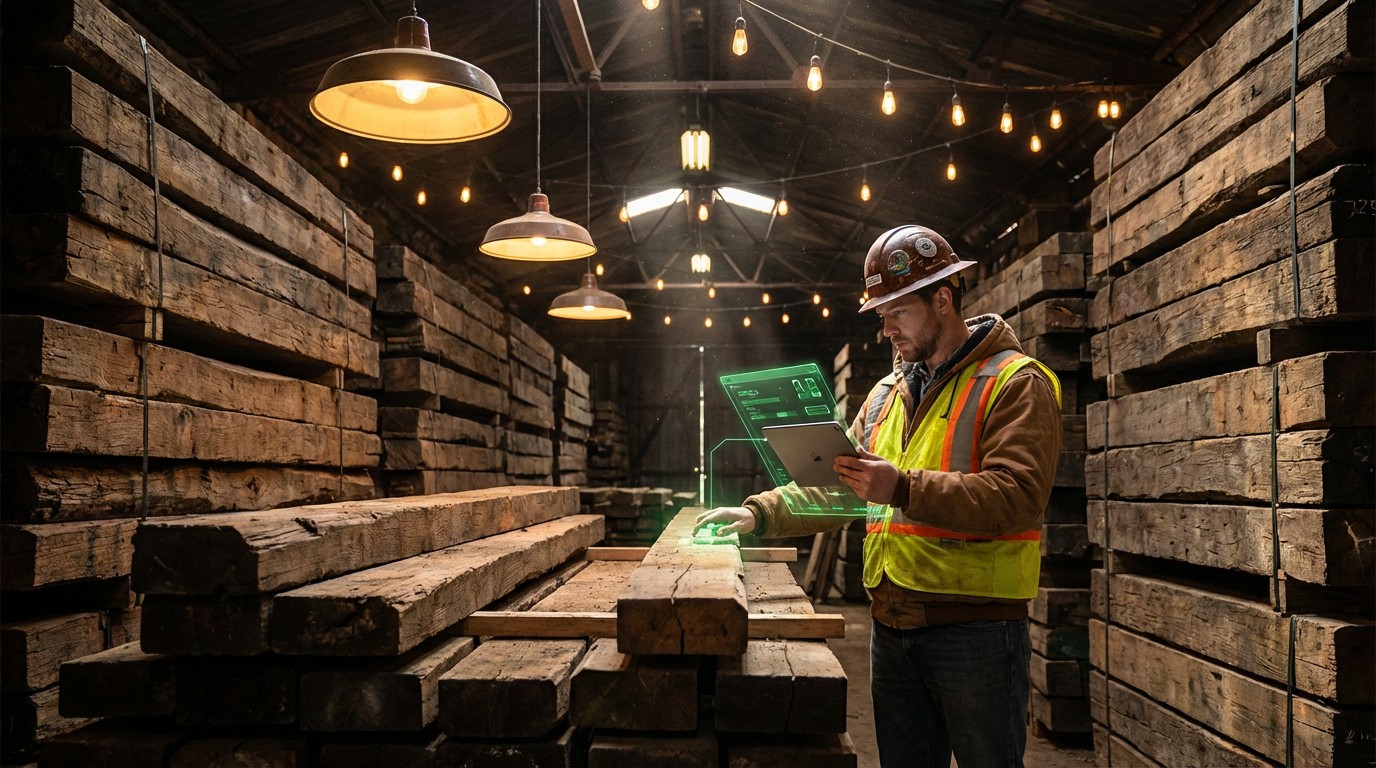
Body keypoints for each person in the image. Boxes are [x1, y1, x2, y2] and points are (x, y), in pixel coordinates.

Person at [697, 224, 1062, 767]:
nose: (886, 329)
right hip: (891, 629)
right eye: (881, 314)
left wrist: (904, 488)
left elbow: (1018, 496)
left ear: (943, 299)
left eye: (898, 312)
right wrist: (759, 514)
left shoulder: (1013, 382)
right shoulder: (887, 394)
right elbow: (842, 488)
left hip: (978, 634)